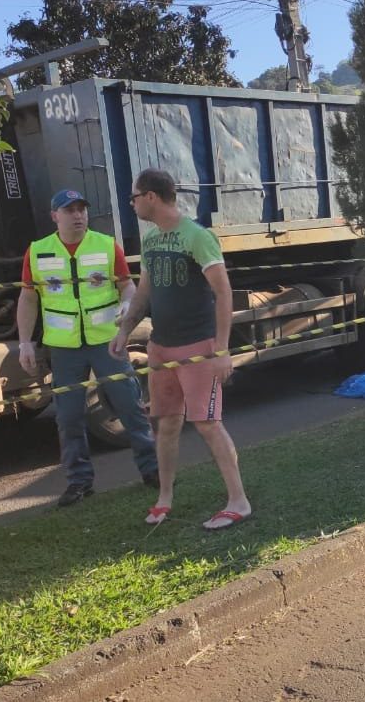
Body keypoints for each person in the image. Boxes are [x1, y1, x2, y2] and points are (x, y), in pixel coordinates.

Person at [110, 168, 251, 530]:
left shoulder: (197, 237)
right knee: (166, 423)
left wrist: (221, 349)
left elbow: (223, 293)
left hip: (198, 347)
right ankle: (165, 498)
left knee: (207, 424)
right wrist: (125, 331)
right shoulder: (152, 239)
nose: (133, 204)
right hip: (161, 347)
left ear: (151, 197)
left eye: (134, 197)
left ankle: (239, 501)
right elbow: (144, 291)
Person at [16, 189, 158, 507]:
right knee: (68, 418)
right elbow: (28, 298)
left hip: (107, 340)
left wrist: (126, 306)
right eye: (69, 210)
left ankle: (152, 471)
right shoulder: (37, 251)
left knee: (131, 408)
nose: (78, 215)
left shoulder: (107, 245)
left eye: (82, 209)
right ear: (55, 216)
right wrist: (25, 342)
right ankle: (80, 483)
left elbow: (127, 285)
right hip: (64, 347)